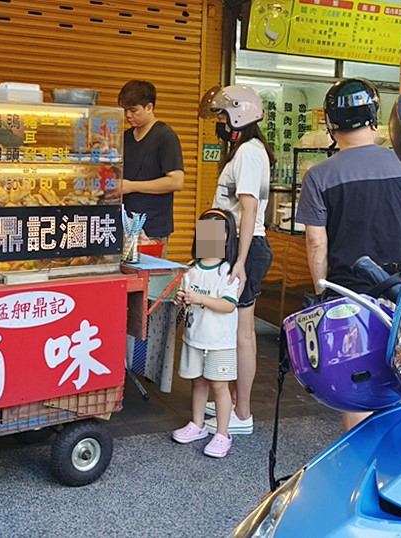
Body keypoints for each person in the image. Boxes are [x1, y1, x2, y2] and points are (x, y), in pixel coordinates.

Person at [294, 78, 401, 431]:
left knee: (359, 381)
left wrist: (322, 290)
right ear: (374, 118)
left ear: (331, 125)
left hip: (348, 296)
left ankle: (362, 469)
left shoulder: (319, 175)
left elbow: (315, 241)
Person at [200, 85, 275, 436]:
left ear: (239, 115)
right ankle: (231, 401)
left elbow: (248, 210)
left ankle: (242, 413)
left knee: (243, 333)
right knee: (232, 331)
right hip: (230, 246)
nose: (217, 121)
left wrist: (241, 262)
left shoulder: (248, 153)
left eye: (221, 114)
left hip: (244, 248)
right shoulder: (244, 151)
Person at [171, 209, 241, 458]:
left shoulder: (229, 272)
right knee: (197, 382)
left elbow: (229, 305)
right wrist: (181, 299)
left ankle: (223, 433)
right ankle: (198, 424)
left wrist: (200, 298)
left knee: (219, 386)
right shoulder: (191, 270)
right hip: (194, 339)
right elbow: (187, 301)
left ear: (227, 237)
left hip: (220, 343)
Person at [118, 80, 185, 254]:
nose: (128, 116)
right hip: (125, 223)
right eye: (125, 110)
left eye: (133, 110)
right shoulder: (125, 137)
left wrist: (132, 186)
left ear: (149, 107)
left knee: (150, 278)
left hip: (153, 227)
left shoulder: (165, 136)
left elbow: (176, 182)